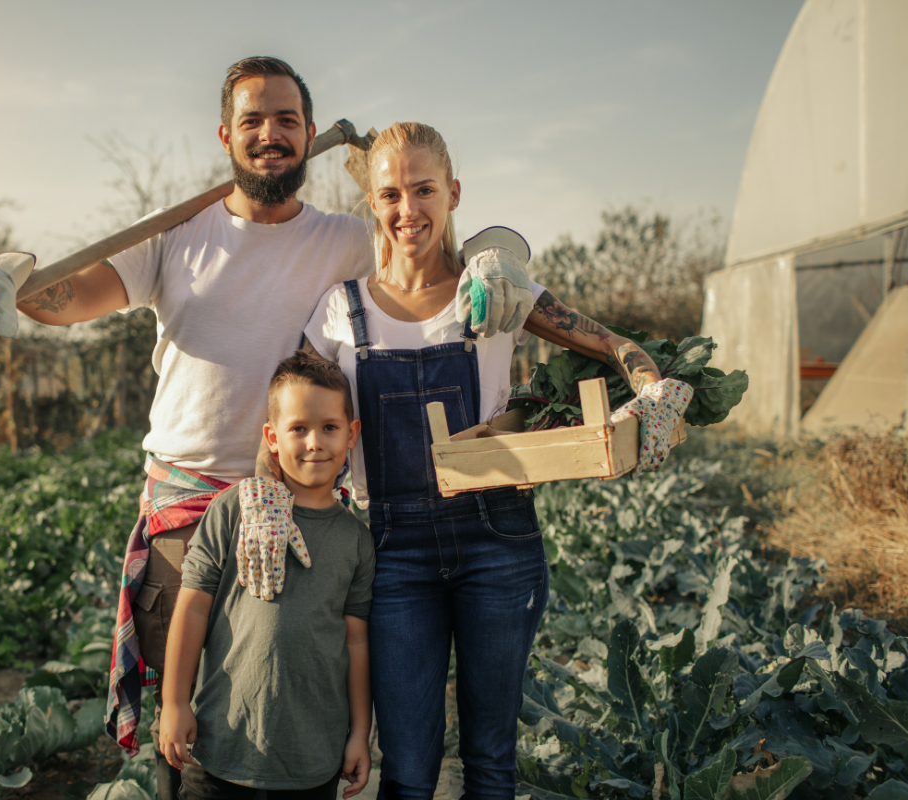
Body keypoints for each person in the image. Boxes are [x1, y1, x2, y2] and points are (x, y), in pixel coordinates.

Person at [0, 59, 531, 800]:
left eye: (286, 120)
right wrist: (16, 279)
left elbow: (431, 242)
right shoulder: (174, 234)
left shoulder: (348, 240)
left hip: (301, 509)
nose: (269, 134)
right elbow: (72, 297)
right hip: (188, 517)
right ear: (226, 136)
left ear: (310, 133)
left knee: (287, 715)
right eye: (252, 120)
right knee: (184, 734)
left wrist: (499, 251)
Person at [252, 122, 691, 800]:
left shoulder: (498, 293)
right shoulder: (341, 310)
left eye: (424, 190)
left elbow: (614, 346)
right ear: (372, 202)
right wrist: (263, 496)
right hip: (395, 556)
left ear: (453, 193)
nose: (408, 209)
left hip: (498, 543)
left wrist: (652, 393)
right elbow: (287, 418)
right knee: (408, 770)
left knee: (490, 762)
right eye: (391, 194)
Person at [159, 352, 373, 800]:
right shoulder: (236, 510)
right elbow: (193, 608)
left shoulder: (356, 539)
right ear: (272, 438)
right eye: (298, 429)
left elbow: (355, 641)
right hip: (222, 744)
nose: (315, 442)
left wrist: (359, 733)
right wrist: (175, 703)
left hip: (311, 760)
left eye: (329, 427)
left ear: (351, 434)